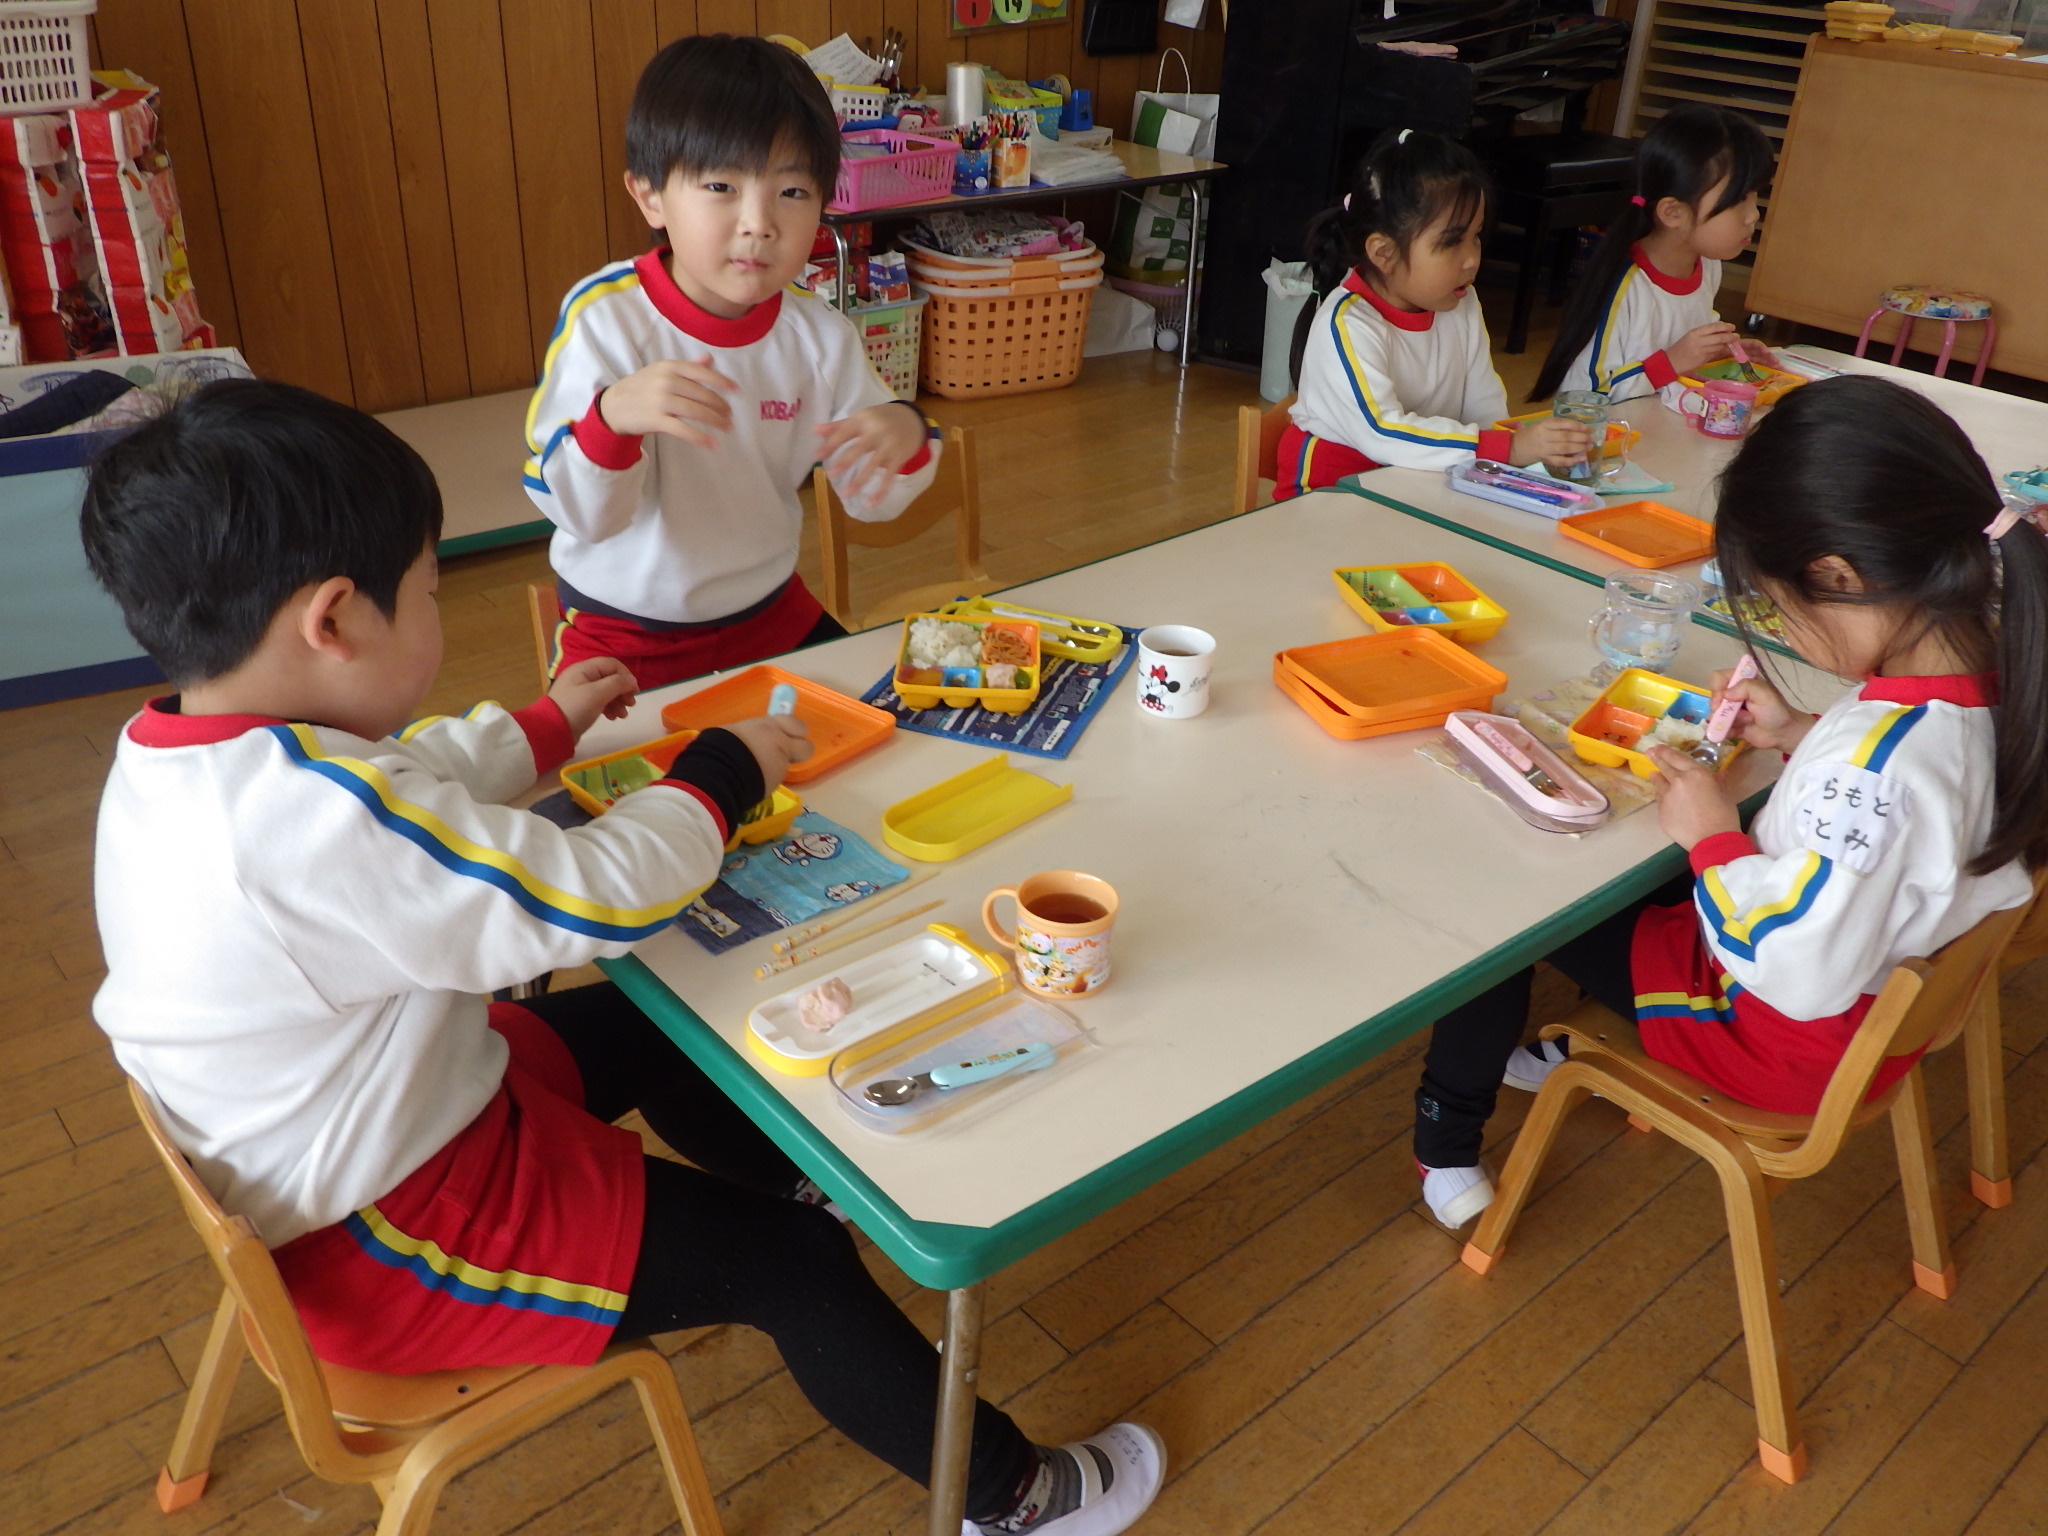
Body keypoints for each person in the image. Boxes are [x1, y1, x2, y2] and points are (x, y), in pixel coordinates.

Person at [83, 380, 1163, 1536]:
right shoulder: (313, 824)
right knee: (792, 1268)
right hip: (391, 1234)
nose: (438, 608)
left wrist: (541, 728)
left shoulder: (192, 753)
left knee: (659, 1027)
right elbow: (591, 899)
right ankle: (1012, 1497)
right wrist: (719, 774)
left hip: (363, 1123)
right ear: (335, 620)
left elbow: (407, 784)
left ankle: (789, 1185)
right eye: (431, 591)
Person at [1409, 376, 2046, 1230]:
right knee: (1622, 873)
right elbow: (1916, 794)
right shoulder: (1998, 671)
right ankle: (1558, 1046)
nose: (1781, 633)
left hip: (1763, 1030)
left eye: (1779, 610)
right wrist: (1799, 733)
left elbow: (1799, 964)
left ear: (1838, 575)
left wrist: (1712, 838)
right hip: (1863, 1015)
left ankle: (1445, 1131)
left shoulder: (1878, 772)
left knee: (1516, 902)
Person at [521, 34, 940, 691]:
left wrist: (904, 432)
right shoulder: (607, 320)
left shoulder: (819, 336)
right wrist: (613, 419)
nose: (759, 222)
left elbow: (872, 501)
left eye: (792, 191)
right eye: (721, 185)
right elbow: (581, 512)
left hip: (769, 615)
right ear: (650, 196)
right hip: (624, 632)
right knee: (601, 759)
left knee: (882, 720)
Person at [1274, 127, 1590, 501]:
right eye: (1452, 242)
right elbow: (1382, 433)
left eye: (1476, 235)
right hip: (1328, 495)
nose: (1472, 259)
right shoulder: (1345, 325)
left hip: (1414, 485)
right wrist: (1511, 448)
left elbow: (1484, 404)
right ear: (1384, 253)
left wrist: (1512, 459)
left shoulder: (1461, 303)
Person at [1529, 103, 1772, 406]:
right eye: (1738, 200)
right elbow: (1583, 396)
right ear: (1673, 212)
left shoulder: (1707, 264)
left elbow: (1685, 344)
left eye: (1756, 196)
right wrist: (1670, 363)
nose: (1753, 215)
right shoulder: (1624, 287)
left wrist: (1722, 352)